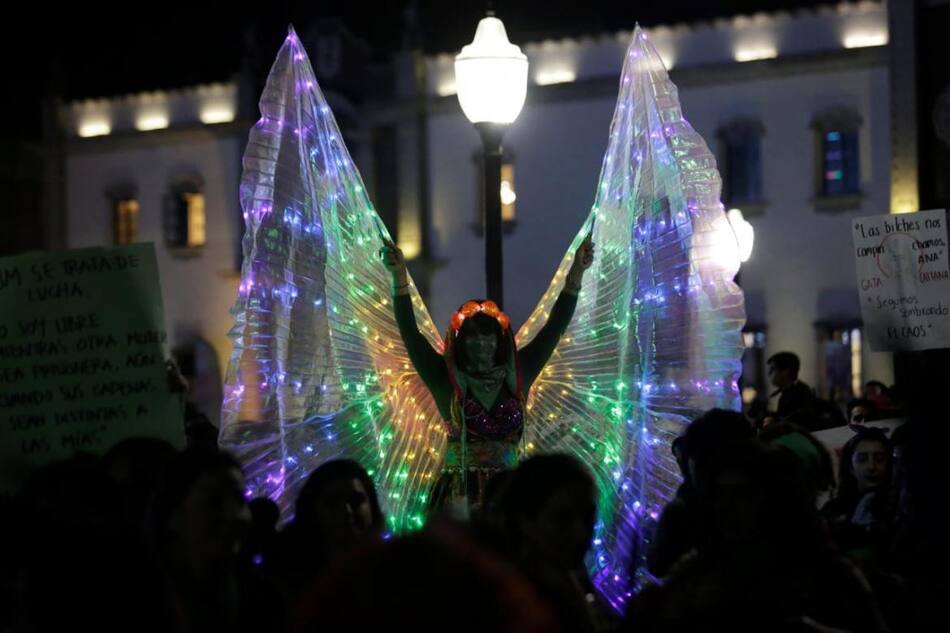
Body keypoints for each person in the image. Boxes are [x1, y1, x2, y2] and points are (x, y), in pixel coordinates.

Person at [380, 236, 594, 513]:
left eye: (488, 336)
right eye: (472, 337)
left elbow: (555, 327)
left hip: (512, 498)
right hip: (459, 498)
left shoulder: (520, 372)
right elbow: (410, 332)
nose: (481, 344)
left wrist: (577, 271)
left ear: (500, 341)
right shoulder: (444, 378)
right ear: (460, 343)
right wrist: (399, 276)